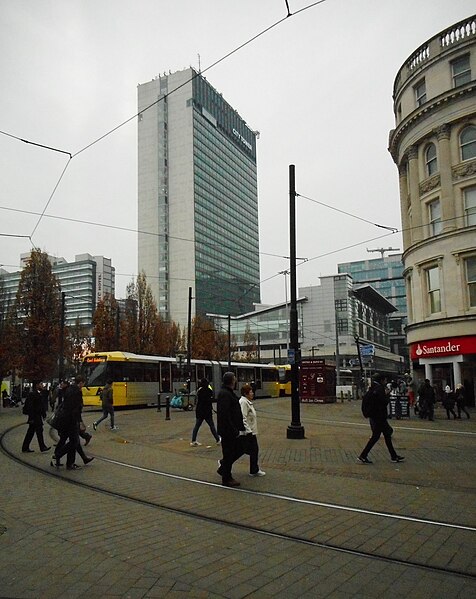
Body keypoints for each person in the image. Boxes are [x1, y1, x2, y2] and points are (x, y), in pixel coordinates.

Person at [358, 373, 404, 464]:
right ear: (382, 380)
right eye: (385, 380)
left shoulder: (373, 388)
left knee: (385, 435)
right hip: (379, 417)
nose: (386, 382)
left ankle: (393, 456)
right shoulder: (379, 389)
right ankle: (363, 455)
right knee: (378, 436)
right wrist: (387, 395)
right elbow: (383, 402)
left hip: (375, 416)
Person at [216, 372, 246, 487]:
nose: (236, 380)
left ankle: (224, 469)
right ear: (231, 381)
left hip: (232, 430)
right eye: (235, 378)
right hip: (228, 431)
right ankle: (226, 477)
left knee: (237, 449)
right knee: (229, 453)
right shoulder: (225, 394)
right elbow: (225, 414)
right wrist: (234, 429)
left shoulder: (228, 393)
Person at [52, 376, 86, 470]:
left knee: (72, 441)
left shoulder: (69, 389)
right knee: (74, 441)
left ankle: (70, 463)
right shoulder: (77, 392)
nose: (83, 386)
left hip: (65, 418)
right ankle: (58, 455)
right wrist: (80, 422)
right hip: (71, 420)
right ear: (81, 383)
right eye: (83, 384)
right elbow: (76, 408)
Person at [239, 383, 265, 477]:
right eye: (251, 392)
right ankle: (254, 470)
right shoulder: (244, 402)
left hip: (250, 431)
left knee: (242, 450)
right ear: (246, 394)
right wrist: (248, 430)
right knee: (252, 450)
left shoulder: (247, 402)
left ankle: (223, 463)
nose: (252, 393)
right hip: (248, 432)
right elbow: (243, 417)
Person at [21, 382, 51, 453]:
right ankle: (42, 446)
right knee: (39, 431)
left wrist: (43, 414)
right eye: (40, 384)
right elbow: (30, 406)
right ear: (37, 385)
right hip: (35, 416)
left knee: (31, 432)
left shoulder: (40, 393)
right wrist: (31, 418)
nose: (42, 385)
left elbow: (41, 405)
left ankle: (25, 447)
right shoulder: (32, 394)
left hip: (37, 416)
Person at [190, 378, 220, 446]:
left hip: (199, 411)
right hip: (207, 412)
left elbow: (198, 400)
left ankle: (193, 440)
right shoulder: (209, 391)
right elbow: (210, 400)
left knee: (197, 426)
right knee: (212, 426)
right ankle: (217, 439)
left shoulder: (199, 390)